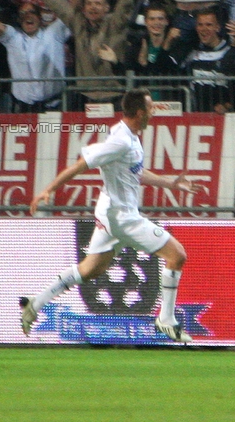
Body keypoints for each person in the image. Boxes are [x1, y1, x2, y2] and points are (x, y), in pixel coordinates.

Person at [23, 88, 205, 342]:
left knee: (89, 270)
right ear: (140, 112)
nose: (154, 112)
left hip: (112, 216)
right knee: (177, 255)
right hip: (123, 218)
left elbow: (135, 172)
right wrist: (47, 190)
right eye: (151, 108)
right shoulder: (119, 141)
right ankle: (166, 320)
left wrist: (171, 183)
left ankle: (35, 303)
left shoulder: (128, 136)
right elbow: (79, 165)